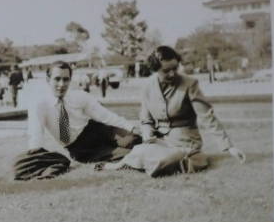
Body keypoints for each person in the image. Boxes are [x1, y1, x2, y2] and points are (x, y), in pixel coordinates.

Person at [100, 46, 245, 176]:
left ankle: (137, 164)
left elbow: (207, 116)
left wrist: (229, 147)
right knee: (140, 149)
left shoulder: (190, 84)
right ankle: (126, 164)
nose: (172, 74)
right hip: (160, 141)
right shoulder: (147, 87)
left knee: (165, 159)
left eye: (175, 68)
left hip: (186, 143)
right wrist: (147, 136)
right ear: (155, 69)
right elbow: (146, 119)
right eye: (166, 71)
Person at [13, 61, 141, 180]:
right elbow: (36, 132)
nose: (61, 84)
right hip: (81, 148)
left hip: (98, 130)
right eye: (57, 79)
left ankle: (154, 144)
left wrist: (131, 127)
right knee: (128, 154)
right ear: (48, 80)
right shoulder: (39, 104)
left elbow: (105, 116)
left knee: (135, 139)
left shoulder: (79, 96)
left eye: (65, 79)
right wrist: (35, 156)